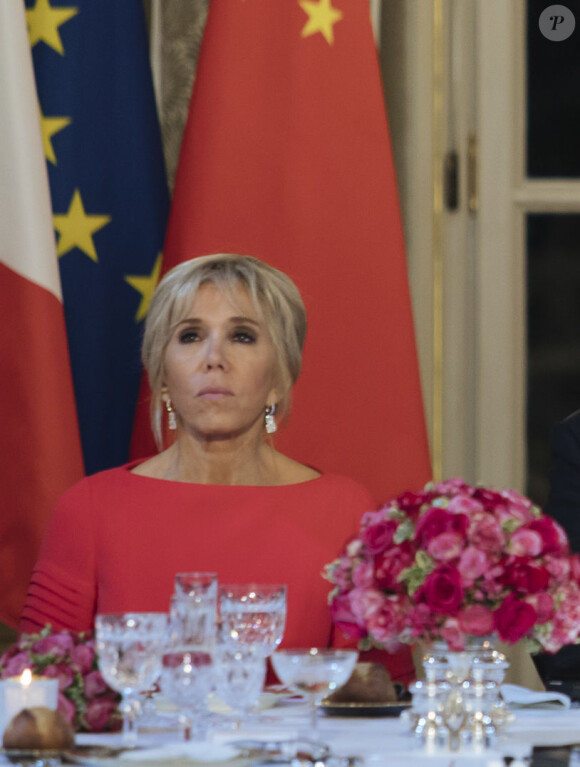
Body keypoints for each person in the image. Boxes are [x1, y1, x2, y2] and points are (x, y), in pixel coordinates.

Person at [20, 253, 414, 683]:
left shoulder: (346, 510)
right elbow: (41, 691)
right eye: (190, 336)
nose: (214, 357)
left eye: (242, 336)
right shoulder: (89, 508)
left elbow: (379, 696)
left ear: (280, 378)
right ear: (163, 376)